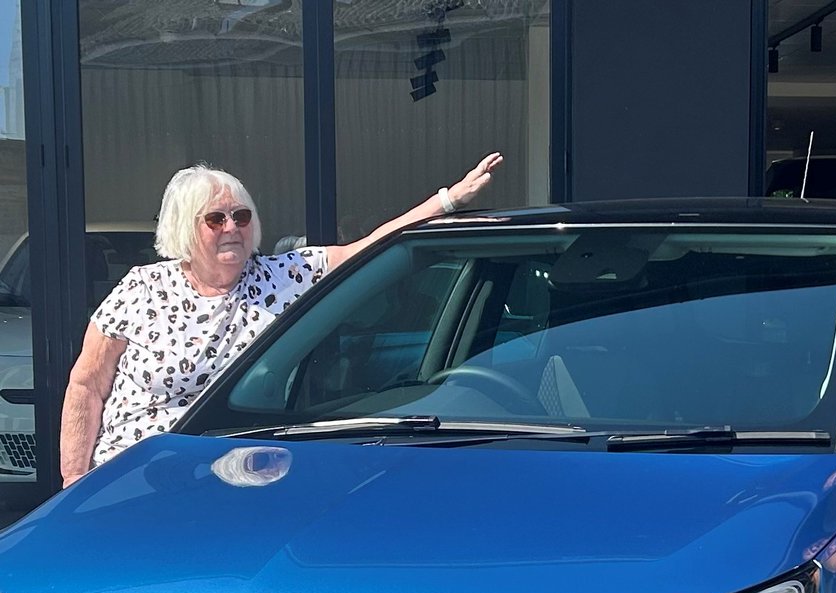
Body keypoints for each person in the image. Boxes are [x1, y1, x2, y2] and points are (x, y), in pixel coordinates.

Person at [59, 153, 503, 487]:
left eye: (241, 216)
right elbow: (86, 385)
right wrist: (74, 480)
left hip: (238, 479)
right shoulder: (142, 288)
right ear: (183, 227)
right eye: (215, 219)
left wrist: (447, 201)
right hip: (133, 476)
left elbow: (368, 248)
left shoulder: (280, 276)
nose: (232, 227)